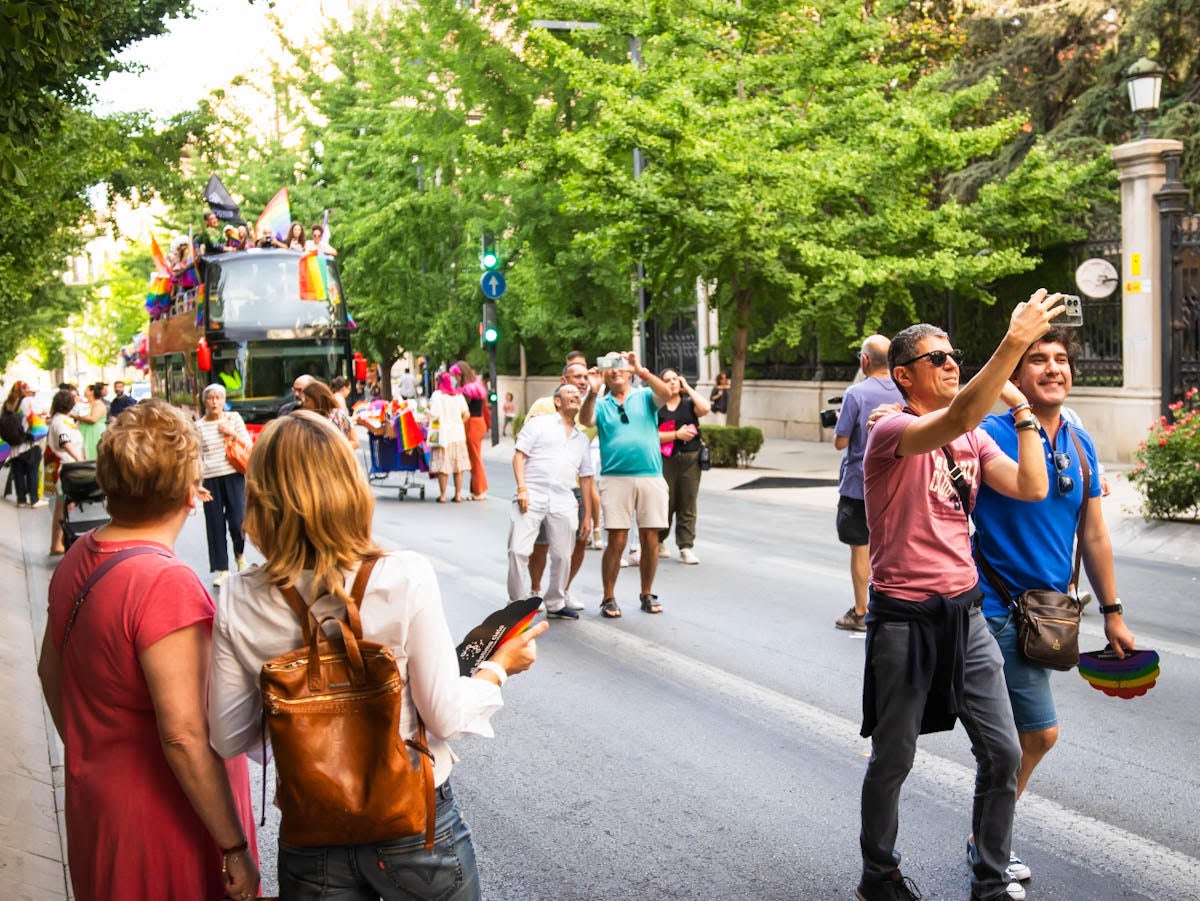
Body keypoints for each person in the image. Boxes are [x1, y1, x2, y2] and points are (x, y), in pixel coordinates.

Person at [207, 410, 547, 900]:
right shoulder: (404, 575)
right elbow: (445, 716)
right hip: (413, 821)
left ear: (260, 497)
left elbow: (228, 735)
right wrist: (498, 667)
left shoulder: (240, 596)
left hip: (311, 830)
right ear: (349, 486)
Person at [855, 290, 1063, 901]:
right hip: (903, 620)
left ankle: (991, 878)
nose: (952, 364)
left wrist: (1022, 410)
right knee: (894, 758)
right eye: (937, 358)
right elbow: (953, 420)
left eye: (955, 356)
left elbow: (1030, 485)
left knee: (1002, 753)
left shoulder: (971, 442)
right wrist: (1014, 343)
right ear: (903, 376)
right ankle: (878, 874)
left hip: (966, 615)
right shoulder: (891, 430)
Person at [37, 399, 259, 901]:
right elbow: (183, 734)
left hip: (102, 806)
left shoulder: (79, 555)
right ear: (190, 493)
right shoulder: (165, 582)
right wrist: (233, 846)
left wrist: (92, 748)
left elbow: (49, 673)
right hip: (165, 823)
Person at [969, 327, 1136, 888]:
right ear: (1015, 377)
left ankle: (985, 838)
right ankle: (988, 847)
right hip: (993, 606)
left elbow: (1093, 536)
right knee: (1031, 736)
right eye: (1037, 360)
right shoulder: (988, 433)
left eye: (1061, 359)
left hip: (1047, 613)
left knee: (1020, 738)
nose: (1053, 368)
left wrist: (1112, 611)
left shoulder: (1081, 444)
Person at [579, 350, 670, 619]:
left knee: (650, 538)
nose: (616, 371)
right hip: (615, 477)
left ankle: (647, 592)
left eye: (620, 365)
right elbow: (585, 420)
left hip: (650, 474)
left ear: (629, 370)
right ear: (604, 373)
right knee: (617, 539)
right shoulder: (602, 403)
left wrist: (642, 369)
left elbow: (665, 394)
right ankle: (609, 596)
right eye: (610, 367)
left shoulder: (644, 396)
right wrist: (593, 392)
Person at [833, 336, 903, 632]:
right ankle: (895, 607)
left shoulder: (856, 393)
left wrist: (841, 420)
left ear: (864, 361)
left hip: (859, 484)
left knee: (860, 548)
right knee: (894, 548)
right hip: (898, 481)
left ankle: (862, 611)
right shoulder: (905, 390)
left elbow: (841, 442)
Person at [508, 383, 594, 619]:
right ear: (557, 401)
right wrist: (522, 488)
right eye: (570, 393)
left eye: (578, 394)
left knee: (563, 555)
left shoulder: (581, 440)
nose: (576, 395)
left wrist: (587, 516)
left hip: (564, 498)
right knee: (518, 550)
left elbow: (587, 478)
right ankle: (516, 603)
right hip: (532, 493)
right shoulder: (539, 424)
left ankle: (555, 602)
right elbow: (519, 455)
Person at [525, 360, 598, 608]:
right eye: (576, 376)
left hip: (575, 488)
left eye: (585, 377)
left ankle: (562, 590)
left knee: (578, 543)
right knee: (542, 544)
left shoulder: (590, 408)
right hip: (544, 487)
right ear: (563, 380)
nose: (582, 380)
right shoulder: (543, 405)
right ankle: (535, 590)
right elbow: (524, 445)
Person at [196, 384, 252, 588]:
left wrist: (231, 432)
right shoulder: (199, 426)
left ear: (224, 400)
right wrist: (197, 484)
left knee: (238, 520)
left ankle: (240, 556)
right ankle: (222, 569)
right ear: (205, 402)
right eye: (210, 398)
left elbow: (248, 444)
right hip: (210, 479)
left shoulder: (233, 418)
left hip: (233, 475)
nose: (214, 402)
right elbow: (197, 456)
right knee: (215, 524)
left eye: (218, 398)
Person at [656, 368, 711, 564]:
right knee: (665, 502)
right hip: (664, 460)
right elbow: (650, 435)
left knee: (688, 502)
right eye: (667, 380)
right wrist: (676, 435)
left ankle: (686, 546)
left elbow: (705, 408)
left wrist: (688, 387)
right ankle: (660, 540)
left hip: (690, 459)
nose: (672, 383)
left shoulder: (688, 404)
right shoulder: (657, 407)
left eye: (675, 379)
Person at [46, 389, 86, 555]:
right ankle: (57, 543)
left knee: (64, 506)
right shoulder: (60, 422)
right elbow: (64, 442)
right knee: (62, 506)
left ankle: (59, 541)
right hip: (65, 468)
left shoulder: (62, 420)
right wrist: (80, 460)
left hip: (68, 467)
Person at [428, 372, 471, 503]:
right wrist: (458, 424)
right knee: (458, 467)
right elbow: (467, 414)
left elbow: (434, 413)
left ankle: (443, 496)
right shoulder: (458, 395)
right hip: (458, 435)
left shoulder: (437, 395)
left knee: (443, 467)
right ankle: (458, 495)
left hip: (443, 436)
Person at [2, 380, 46, 508]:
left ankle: (21, 500)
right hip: (28, 442)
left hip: (13, 446)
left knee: (18, 472)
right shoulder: (28, 401)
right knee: (32, 471)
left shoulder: (7, 404)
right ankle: (34, 499)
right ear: (26, 390)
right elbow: (39, 416)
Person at [453, 361, 490, 500]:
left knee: (474, 459)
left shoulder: (466, 389)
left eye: (456, 375)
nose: (455, 378)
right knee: (475, 458)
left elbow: (462, 409)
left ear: (462, 374)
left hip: (472, 424)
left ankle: (480, 491)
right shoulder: (477, 385)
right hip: (479, 422)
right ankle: (476, 490)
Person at [302, 379, 358, 448]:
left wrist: (333, 448)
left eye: (306, 400)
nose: (303, 404)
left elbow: (355, 442)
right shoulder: (306, 419)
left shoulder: (338, 415)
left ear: (317, 400)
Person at [75, 382, 108, 459]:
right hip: (84, 431)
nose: (84, 391)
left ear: (92, 391)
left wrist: (75, 416)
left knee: (93, 452)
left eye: (86, 390)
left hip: (94, 432)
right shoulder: (86, 403)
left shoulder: (98, 404)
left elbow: (94, 419)